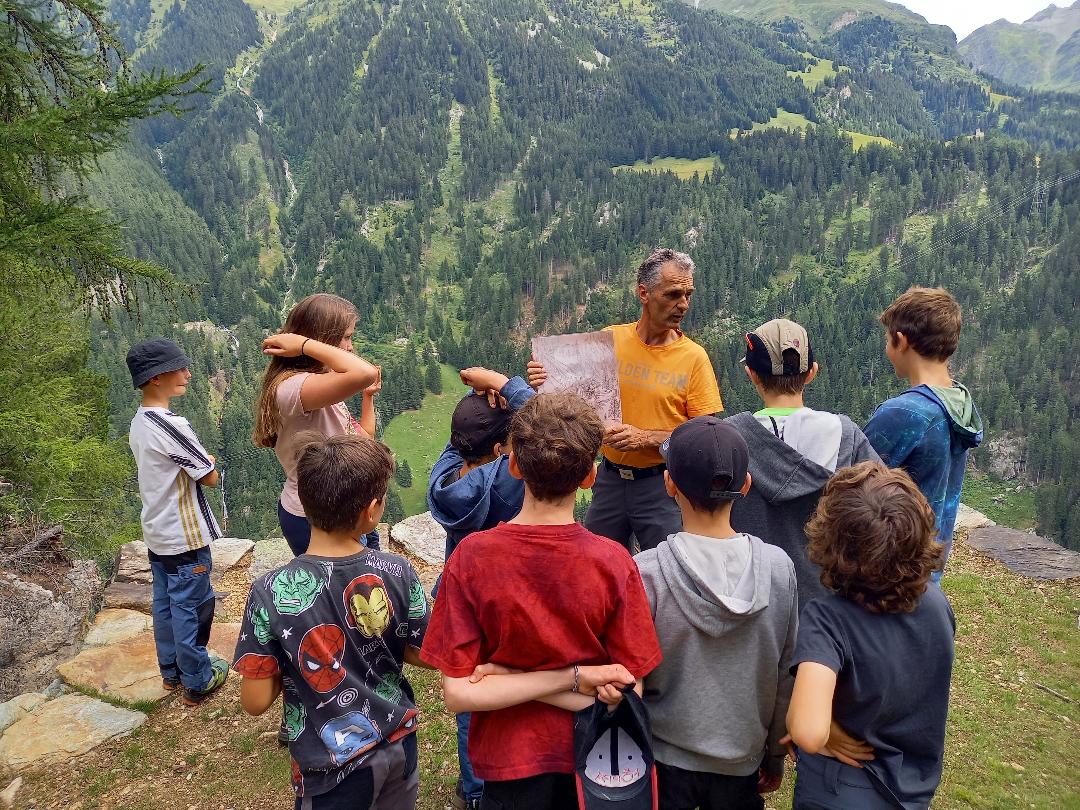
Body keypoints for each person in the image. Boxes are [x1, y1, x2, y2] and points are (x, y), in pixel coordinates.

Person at [421, 392, 663, 810]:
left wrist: (509, 676)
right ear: (590, 476)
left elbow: (459, 694)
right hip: (592, 762)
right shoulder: (613, 562)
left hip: (507, 762)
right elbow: (627, 688)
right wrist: (572, 679)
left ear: (513, 465)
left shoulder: (472, 558)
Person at [233, 432, 432, 807]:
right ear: (371, 511)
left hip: (330, 769)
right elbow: (424, 651)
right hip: (398, 742)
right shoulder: (397, 570)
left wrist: (288, 657)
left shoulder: (270, 592)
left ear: (304, 504)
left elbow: (255, 701)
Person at [635, 416, 798, 810]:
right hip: (741, 766)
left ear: (669, 483)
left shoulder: (647, 572)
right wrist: (773, 756)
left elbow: (633, 678)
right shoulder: (779, 568)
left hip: (663, 763)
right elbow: (785, 673)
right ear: (745, 485)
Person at [527, 248, 723, 552]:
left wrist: (644, 438)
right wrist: (544, 379)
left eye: (688, 294)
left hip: (663, 486)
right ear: (644, 293)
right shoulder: (611, 340)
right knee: (593, 562)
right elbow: (572, 400)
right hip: (609, 479)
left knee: (669, 571)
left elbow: (707, 438)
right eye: (673, 295)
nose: (683, 304)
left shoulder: (694, 358)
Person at [786, 461, 954, 810]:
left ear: (832, 542)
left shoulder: (827, 618)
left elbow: (807, 731)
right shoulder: (937, 604)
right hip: (912, 787)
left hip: (844, 788)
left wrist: (823, 729)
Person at [426, 367, 535, 810]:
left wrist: (472, 410)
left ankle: (474, 791)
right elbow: (544, 421)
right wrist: (506, 385)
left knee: (469, 696)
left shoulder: (443, 482)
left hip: (462, 599)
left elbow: (458, 445)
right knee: (512, 686)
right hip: (508, 600)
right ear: (499, 450)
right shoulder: (506, 486)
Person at [725, 319, 879, 609]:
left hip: (748, 599)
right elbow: (885, 507)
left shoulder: (728, 438)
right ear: (812, 373)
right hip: (826, 601)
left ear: (752, 374)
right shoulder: (846, 436)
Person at [126, 338, 229, 706]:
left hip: (158, 533)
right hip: (185, 536)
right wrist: (209, 462)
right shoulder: (172, 424)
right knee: (194, 608)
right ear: (156, 378)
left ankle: (171, 672)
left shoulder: (139, 422)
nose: (187, 373)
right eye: (179, 369)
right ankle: (198, 678)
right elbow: (209, 476)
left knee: (166, 605)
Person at [864, 286, 983, 579]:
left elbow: (854, 485)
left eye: (887, 340)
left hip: (888, 569)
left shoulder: (905, 413)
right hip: (928, 568)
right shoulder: (959, 402)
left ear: (901, 341)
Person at [253, 293, 381, 555]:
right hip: (316, 519)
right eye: (346, 337)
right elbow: (364, 372)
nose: (350, 347)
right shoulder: (294, 389)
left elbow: (364, 438)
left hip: (344, 507)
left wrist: (367, 399)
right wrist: (304, 344)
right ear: (323, 338)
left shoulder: (315, 384)